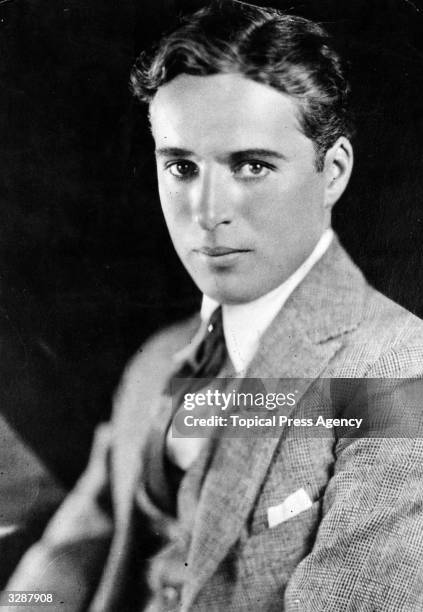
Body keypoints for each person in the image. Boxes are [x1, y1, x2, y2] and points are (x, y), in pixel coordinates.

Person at [6, 2, 423, 610]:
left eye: (251, 165)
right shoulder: (159, 359)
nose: (206, 212)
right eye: (181, 166)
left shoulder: (398, 369)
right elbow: (75, 544)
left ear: (331, 172)